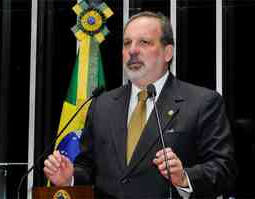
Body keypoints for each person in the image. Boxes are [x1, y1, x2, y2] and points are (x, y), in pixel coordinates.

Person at [44, 11, 236, 198]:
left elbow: (223, 169)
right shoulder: (102, 105)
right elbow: (88, 167)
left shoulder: (201, 102)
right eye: (127, 43)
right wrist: (70, 178)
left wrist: (184, 177)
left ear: (167, 53)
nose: (132, 50)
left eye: (144, 42)